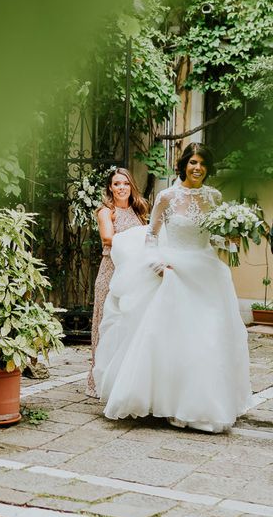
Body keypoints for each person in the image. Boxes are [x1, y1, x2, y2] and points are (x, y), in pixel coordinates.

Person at [93, 143, 252, 433]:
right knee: (175, 339)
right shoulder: (166, 197)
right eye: (193, 162)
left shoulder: (214, 197)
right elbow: (151, 237)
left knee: (209, 338)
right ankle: (172, 404)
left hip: (207, 274)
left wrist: (231, 242)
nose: (197, 168)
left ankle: (204, 405)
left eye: (202, 163)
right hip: (175, 273)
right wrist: (158, 266)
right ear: (184, 165)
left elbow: (215, 237)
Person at [86, 167, 149, 398]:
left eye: (125, 183)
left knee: (127, 325)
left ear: (131, 186)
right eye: (116, 184)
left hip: (134, 274)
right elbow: (107, 238)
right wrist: (138, 239)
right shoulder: (106, 211)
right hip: (110, 272)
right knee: (105, 325)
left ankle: (121, 380)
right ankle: (98, 381)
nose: (121, 188)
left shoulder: (138, 212)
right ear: (110, 188)